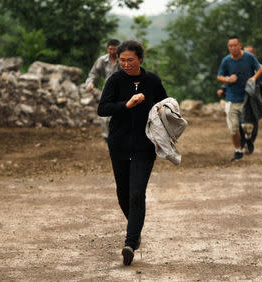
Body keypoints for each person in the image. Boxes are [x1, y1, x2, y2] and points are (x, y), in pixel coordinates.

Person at [97, 40, 167, 266]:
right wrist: (126, 105)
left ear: (140, 59)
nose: (126, 64)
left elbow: (166, 105)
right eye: (122, 60)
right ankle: (135, 232)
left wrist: (160, 109)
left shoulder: (152, 81)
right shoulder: (115, 80)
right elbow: (103, 109)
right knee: (123, 194)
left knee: (137, 193)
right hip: (118, 144)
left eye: (130, 60)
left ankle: (129, 242)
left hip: (145, 145)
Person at [217, 36, 262, 161]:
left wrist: (254, 78)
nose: (233, 48)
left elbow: (260, 69)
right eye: (230, 46)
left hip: (246, 97)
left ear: (240, 45)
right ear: (228, 48)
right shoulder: (226, 60)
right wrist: (228, 79)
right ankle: (238, 150)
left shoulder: (249, 57)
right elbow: (219, 77)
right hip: (231, 98)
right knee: (233, 128)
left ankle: (248, 139)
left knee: (247, 126)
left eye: (235, 45)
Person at [239, 45, 262, 153]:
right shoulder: (239, 67)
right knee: (241, 123)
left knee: (254, 123)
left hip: (256, 101)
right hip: (242, 99)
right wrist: (223, 89)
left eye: (250, 54)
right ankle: (241, 144)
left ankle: (250, 143)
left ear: (255, 55)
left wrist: (259, 85)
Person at [86, 39, 120, 140]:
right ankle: (107, 138)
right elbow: (93, 73)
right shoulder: (102, 60)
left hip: (121, 92)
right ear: (107, 49)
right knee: (105, 116)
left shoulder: (123, 60)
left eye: (115, 49)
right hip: (107, 91)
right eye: (110, 49)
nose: (112, 52)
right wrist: (90, 83)